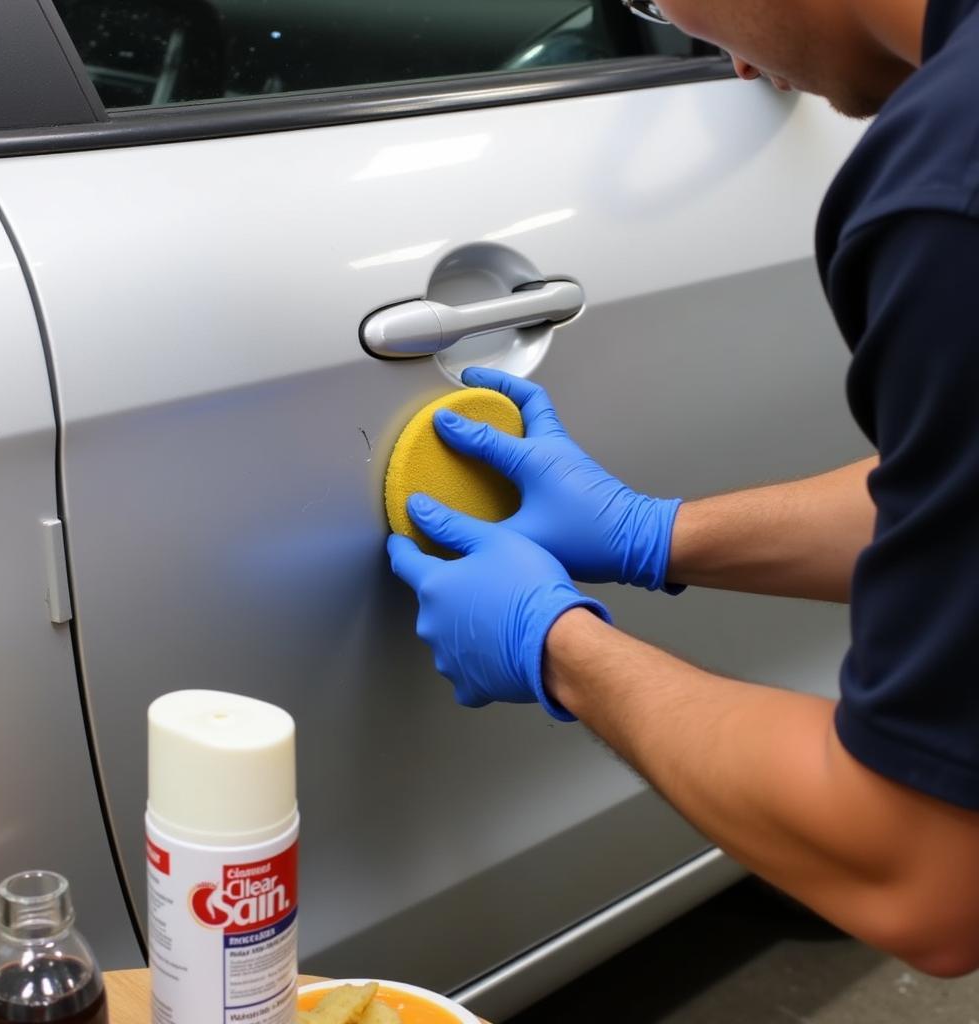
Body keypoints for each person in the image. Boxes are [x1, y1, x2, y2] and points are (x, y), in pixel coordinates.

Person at [387, 0, 979, 977]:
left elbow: (918, 868)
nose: (731, 66)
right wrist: (652, 533)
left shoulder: (945, 193)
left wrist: (556, 644)